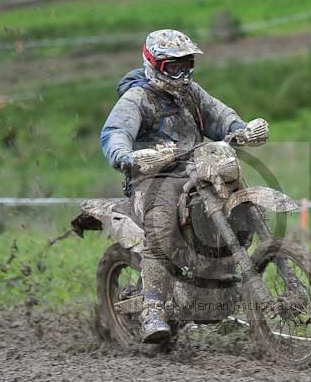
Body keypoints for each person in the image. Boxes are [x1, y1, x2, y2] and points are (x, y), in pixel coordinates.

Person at [100, 29, 269, 343]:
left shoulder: (191, 92)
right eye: (173, 67)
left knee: (239, 197)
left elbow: (218, 114)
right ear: (154, 65)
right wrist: (126, 154)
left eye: (187, 64)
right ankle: (152, 308)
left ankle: (226, 277)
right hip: (152, 178)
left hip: (196, 168)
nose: (182, 73)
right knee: (162, 225)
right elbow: (114, 132)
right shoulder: (137, 98)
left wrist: (242, 130)